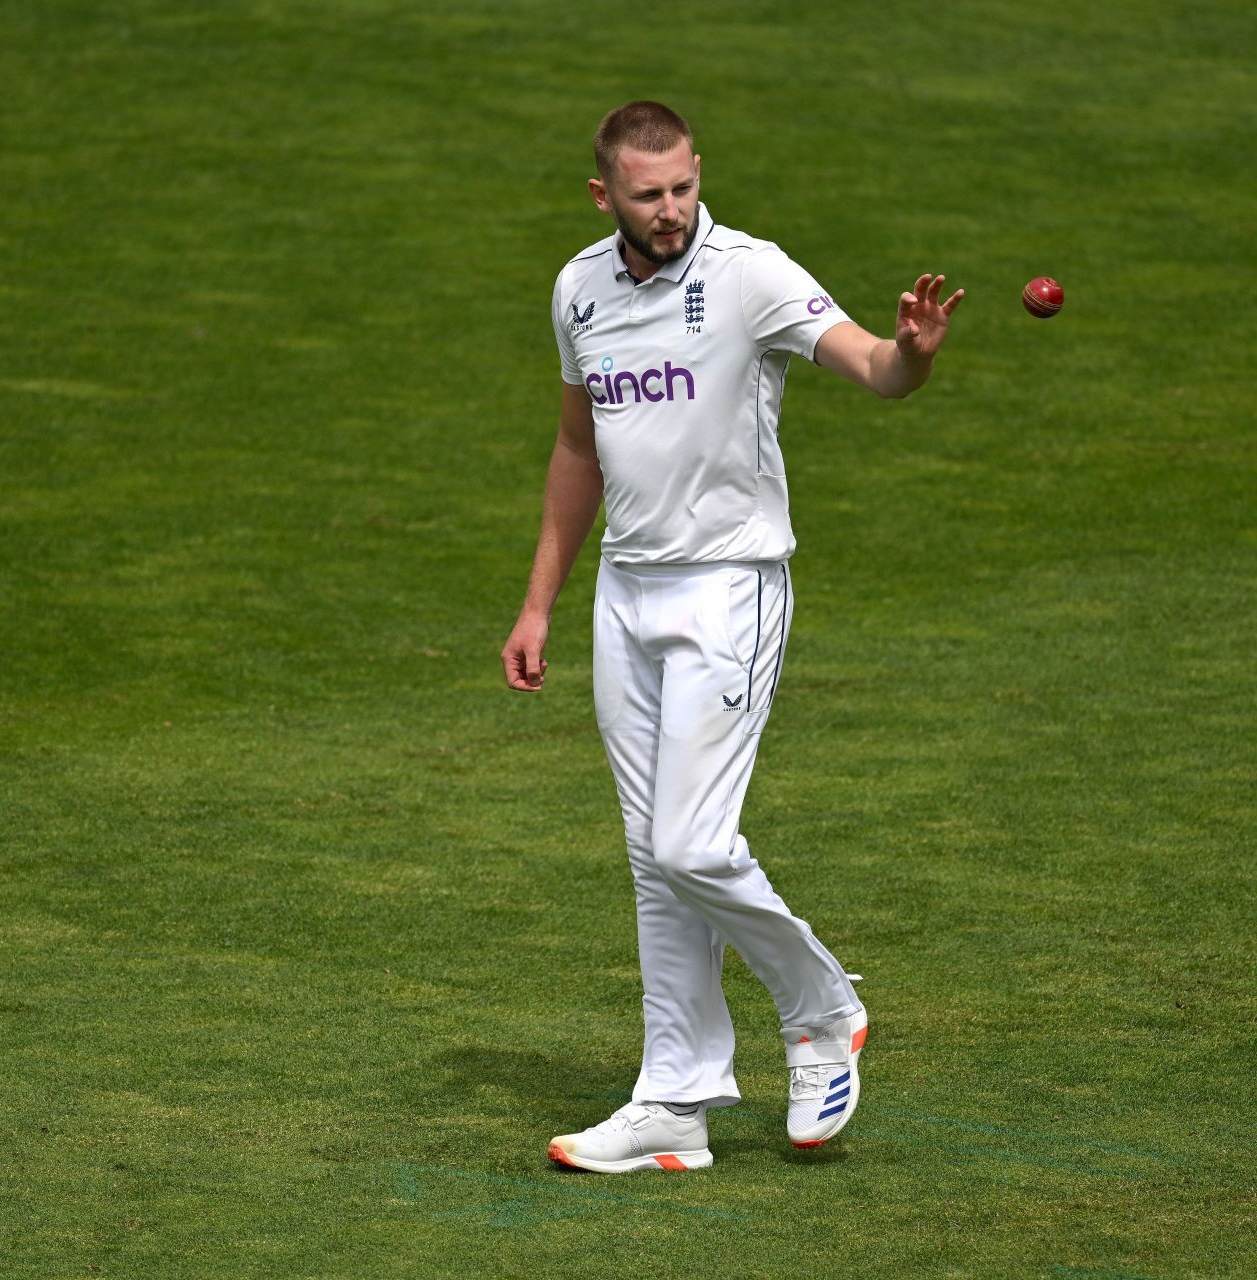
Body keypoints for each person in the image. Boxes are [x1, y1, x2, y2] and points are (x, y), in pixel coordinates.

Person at [501, 101, 963, 1174]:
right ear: (603, 194)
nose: (669, 211)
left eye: (682, 188)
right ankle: (674, 1095)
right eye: (646, 194)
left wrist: (912, 352)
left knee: (692, 843)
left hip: (728, 591)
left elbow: (869, 366)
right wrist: (540, 603)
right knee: (653, 862)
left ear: (699, 172)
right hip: (627, 592)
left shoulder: (750, 272)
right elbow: (579, 447)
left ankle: (820, 1006)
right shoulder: (580, 289)